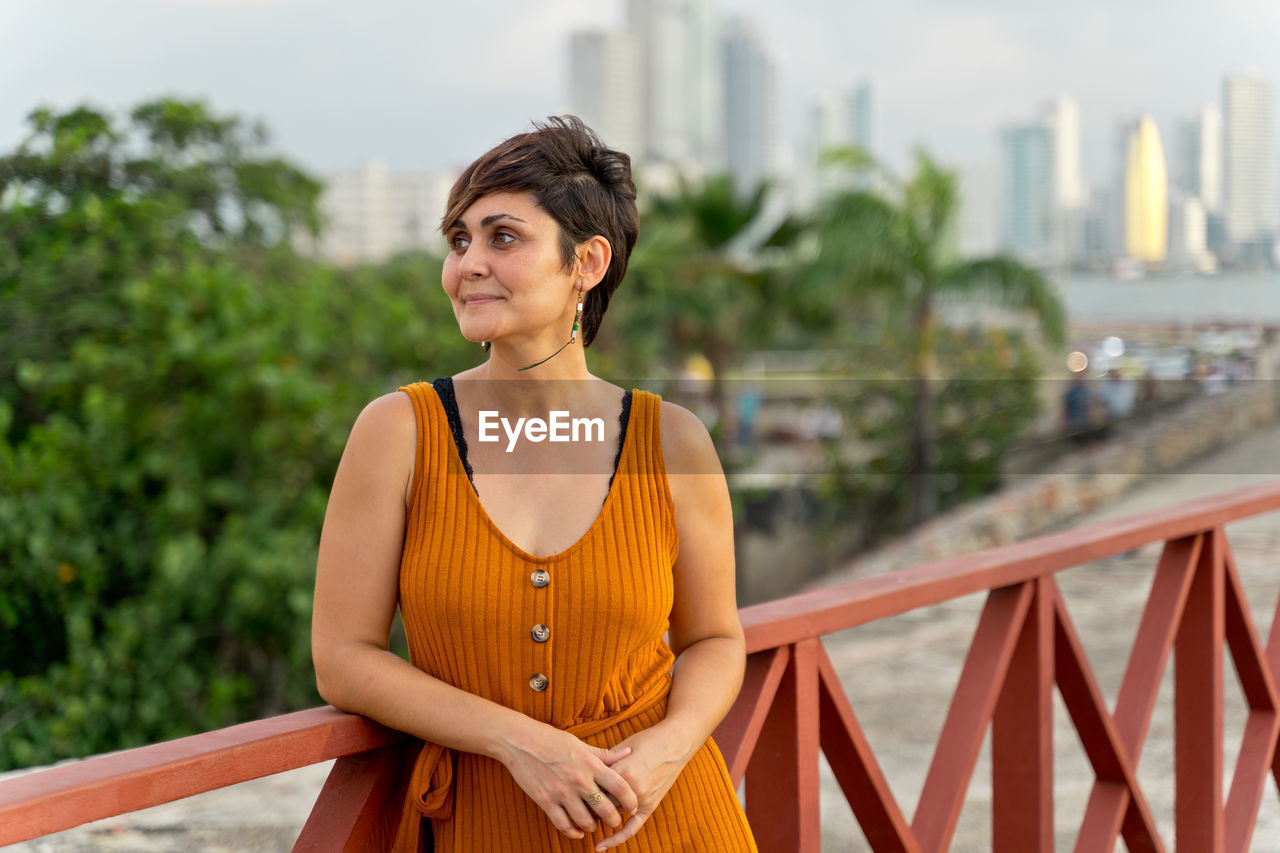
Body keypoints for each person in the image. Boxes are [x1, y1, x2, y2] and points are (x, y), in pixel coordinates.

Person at [311, 116, 757, 852]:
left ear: (586, 262)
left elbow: (713, 636)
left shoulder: (673, 443)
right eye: (459, 241)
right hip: (482, 825)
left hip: (665, 819)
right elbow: (343, 659)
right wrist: (518, 740)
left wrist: (671, 745)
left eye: (503, 237)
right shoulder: (398, 433)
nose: (469, 264)